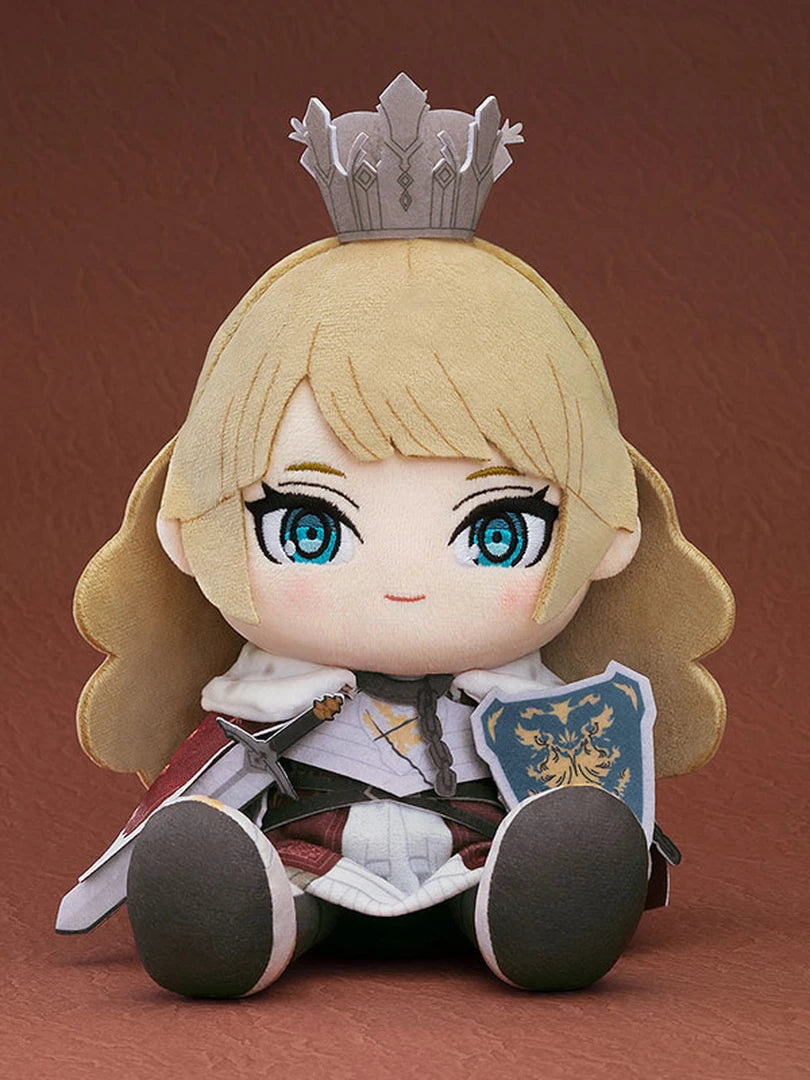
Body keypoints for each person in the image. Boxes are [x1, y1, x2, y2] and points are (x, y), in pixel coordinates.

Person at [68, 78, 734, 999]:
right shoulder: (265, 701)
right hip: (308, 849)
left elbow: (593, 775)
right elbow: (205, 775)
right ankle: (247, 919)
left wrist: (605, 837)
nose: (405, 582)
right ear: (188, 530)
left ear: (610, 534)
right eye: (308, 529)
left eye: (498, 532)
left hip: (478, 848)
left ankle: (526, 912)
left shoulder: (542, 712)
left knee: (550, 847)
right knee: (254, 869)